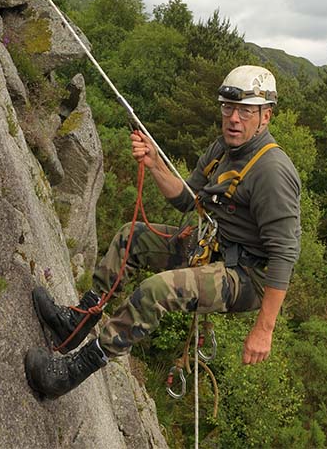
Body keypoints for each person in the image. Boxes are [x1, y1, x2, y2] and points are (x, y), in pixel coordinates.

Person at [24, 65, 301, 399]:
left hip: (246, 277)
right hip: (209, 248)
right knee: (133, 237)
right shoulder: (222, 150)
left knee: (156, 291)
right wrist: (155, 164)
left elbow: (285, 254)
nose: (233, 119)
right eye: (228, 108)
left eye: (245, 111)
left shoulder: (272, 171)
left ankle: (68, 373)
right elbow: (188, 200)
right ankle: (76, 321)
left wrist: (264, 329)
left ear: (265, 117)